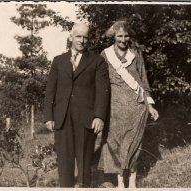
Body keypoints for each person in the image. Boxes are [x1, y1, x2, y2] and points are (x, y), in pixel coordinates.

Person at [43, 23, 110, 187]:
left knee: (85, 163)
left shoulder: (97, 61)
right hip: (62, 118)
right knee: (64, 162)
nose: (82, 40)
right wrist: (48, 117)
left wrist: (99, 116)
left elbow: (103, 91)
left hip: (86, 119)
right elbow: (50, 90)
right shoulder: (58, 61)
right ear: (71, 37)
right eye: (78, 36)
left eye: (85, 37)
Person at [99, 20, 159, 188]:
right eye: (119, 36)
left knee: (134, 144)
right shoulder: (105, 55)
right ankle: (120, 184)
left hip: (136, 106)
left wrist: (150, 105)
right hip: (114, 109)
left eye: (126, 36)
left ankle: (131, 183)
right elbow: (100, 81)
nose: (123, 39)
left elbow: (143, 80)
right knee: (115, 145)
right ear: (113, 36)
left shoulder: (136, 54)